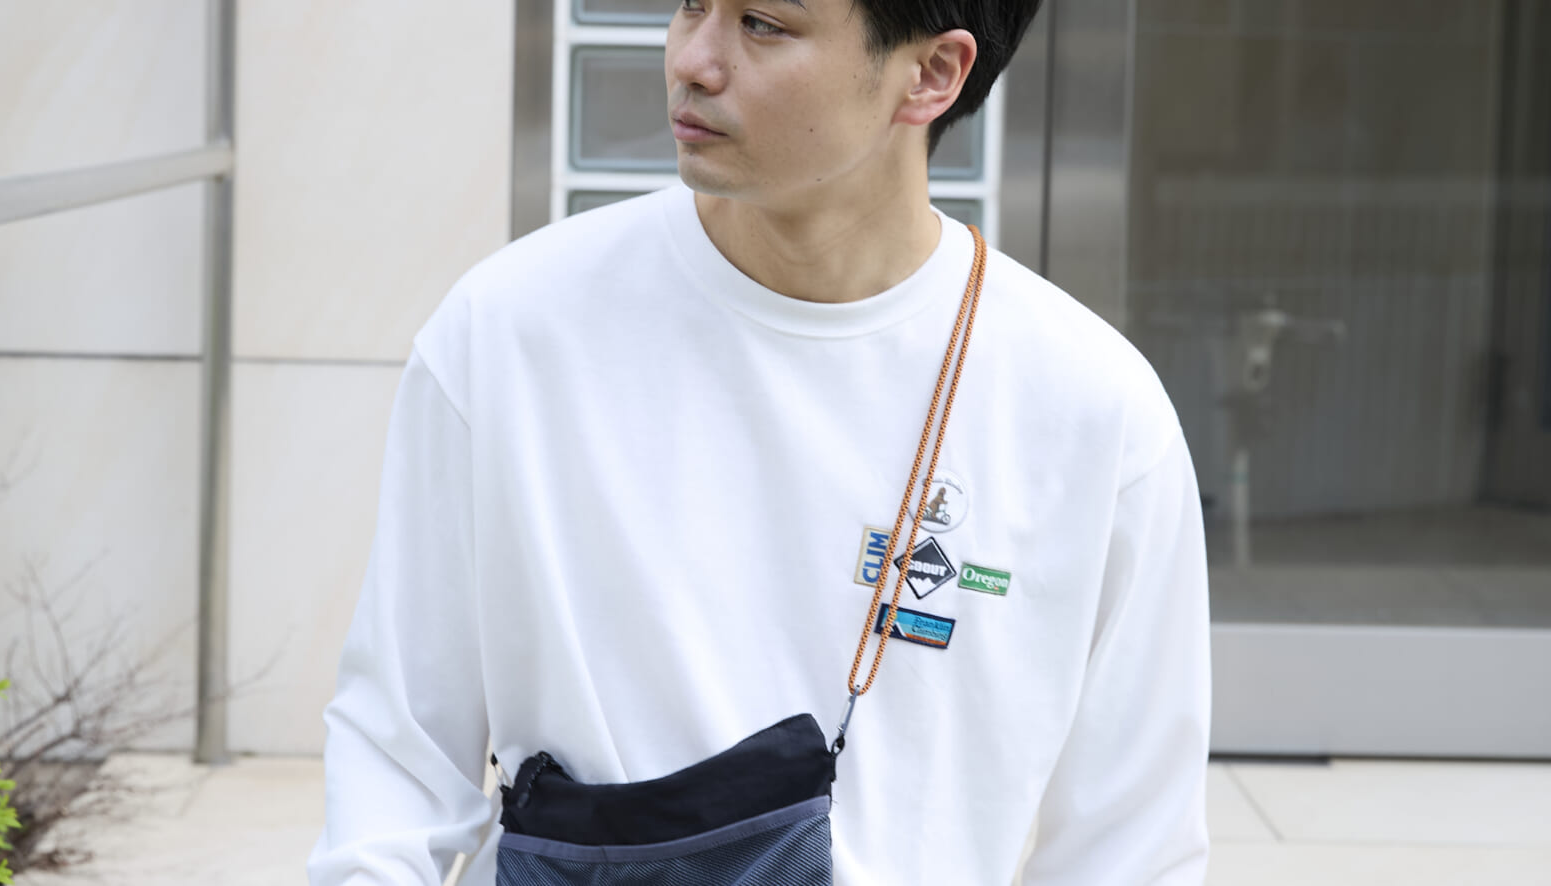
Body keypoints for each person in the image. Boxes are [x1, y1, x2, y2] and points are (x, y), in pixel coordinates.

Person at [308, 1, 1212, 883]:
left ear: (932, 74)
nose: (692, 60)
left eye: (763, 25)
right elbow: (400, 751)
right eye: (692, 5)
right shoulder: (513, 330)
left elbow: (1133, 847)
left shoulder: (1092, 414)